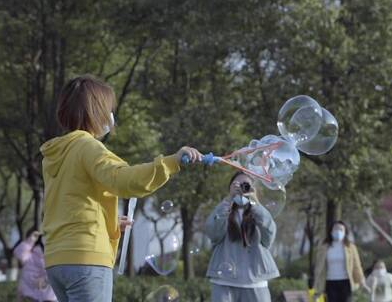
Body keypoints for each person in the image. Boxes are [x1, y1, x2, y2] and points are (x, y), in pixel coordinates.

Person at [41, 75, 202, 302]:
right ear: (96, 111)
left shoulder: (55, 154)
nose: (110, 116)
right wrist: (172, 162)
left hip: (57, 259)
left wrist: (109, 224)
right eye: (108, 108)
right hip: (86, 258)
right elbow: (123, 180)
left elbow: (68, 204)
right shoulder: (88, 146)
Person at [205, 171, 279, 302]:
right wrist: (228, 201)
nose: (241, 189)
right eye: (237, 185)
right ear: (230, 188)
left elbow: (269, 237)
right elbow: (213, 233)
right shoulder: (223, 210)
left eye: (246, 185)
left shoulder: (259, 213)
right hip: (223, 282)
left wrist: (255, 203)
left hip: (255, 280)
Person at [314, 221, 367, 302]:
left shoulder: (350, 247)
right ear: (331, 231)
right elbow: (319, 267)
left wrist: (362, 282)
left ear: (345, 232)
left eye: (341, 229)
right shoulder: (324, 247)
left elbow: (357, 266)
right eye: (336, 229)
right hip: (330, 282)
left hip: (346, 282)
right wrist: (317, 287)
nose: (338, 231)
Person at [14, 229, 57, 302]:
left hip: (49, 296)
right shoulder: (30, 256)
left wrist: (45, 280)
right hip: (30, 294)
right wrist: (30, 241)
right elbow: (18, 252)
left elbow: (56, 274)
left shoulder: (52, 256)